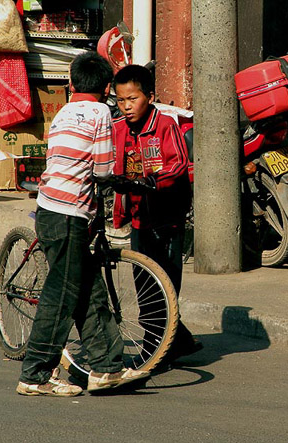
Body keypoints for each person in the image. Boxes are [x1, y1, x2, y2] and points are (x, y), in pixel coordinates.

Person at [17, 52, 150, 397]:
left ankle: (106, 368)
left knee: (89, 289)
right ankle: (35, 374)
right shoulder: (100, 112)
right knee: (61, 297)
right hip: (68, 214)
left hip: (51, 209)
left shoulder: (62, 113)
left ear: (71, 84)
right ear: (107, 88)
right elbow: (103, 169)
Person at [111, 64, 201, 364]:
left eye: (132, 99)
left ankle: (157, 351)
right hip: (139, 219)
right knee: (145, 284)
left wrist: (153, 181)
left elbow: (178, 163)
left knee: (167, 284)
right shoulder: (118, 129)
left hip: (168, 218)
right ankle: (173, 340)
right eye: (121, 100)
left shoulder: (164, 125)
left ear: (149, 97)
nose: (126, 106)